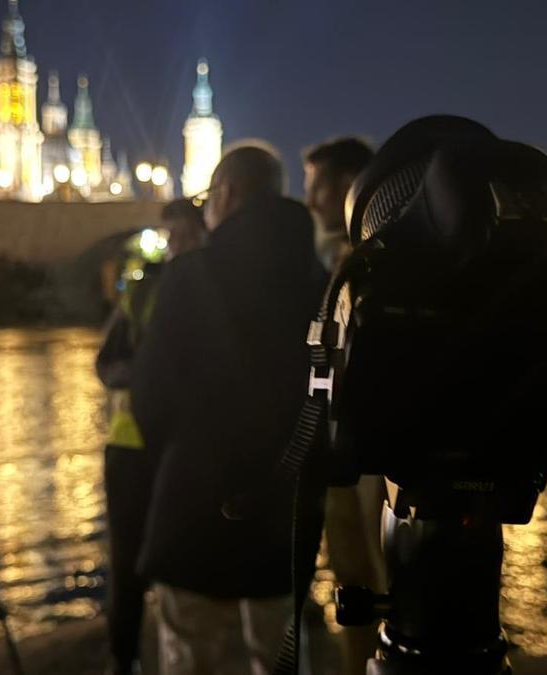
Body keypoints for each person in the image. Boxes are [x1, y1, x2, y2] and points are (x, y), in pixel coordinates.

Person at [131, 144, 327, 675]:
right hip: (280, 500)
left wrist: (178, 456)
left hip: (196, 496)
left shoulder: (190, 275)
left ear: (227, 192)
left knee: (192, 651)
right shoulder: (321, 281)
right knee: (281, 651)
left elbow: (148, 397)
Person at [96, 199, 206, 675]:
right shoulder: (143, 289)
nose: (175, 241)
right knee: (126, 561)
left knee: (180, 559)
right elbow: (107, 361)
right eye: (170, 232)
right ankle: (125, 658)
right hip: (131, 445)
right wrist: (145, 378)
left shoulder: (211, 286)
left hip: (181, 447)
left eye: (183, 232)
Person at [303, 137, 385, 675]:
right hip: (340, 450)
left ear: (340, 189)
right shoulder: (336, 255)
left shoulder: (378, 256)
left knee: (383, 581)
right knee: (352, 583)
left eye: (314, 187)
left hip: (376, 456)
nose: (308, 201)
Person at [302, 137, 374, 272]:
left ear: (349, 185)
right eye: (308, 192)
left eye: (317, 189)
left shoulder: (375, 258)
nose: (310, 203)